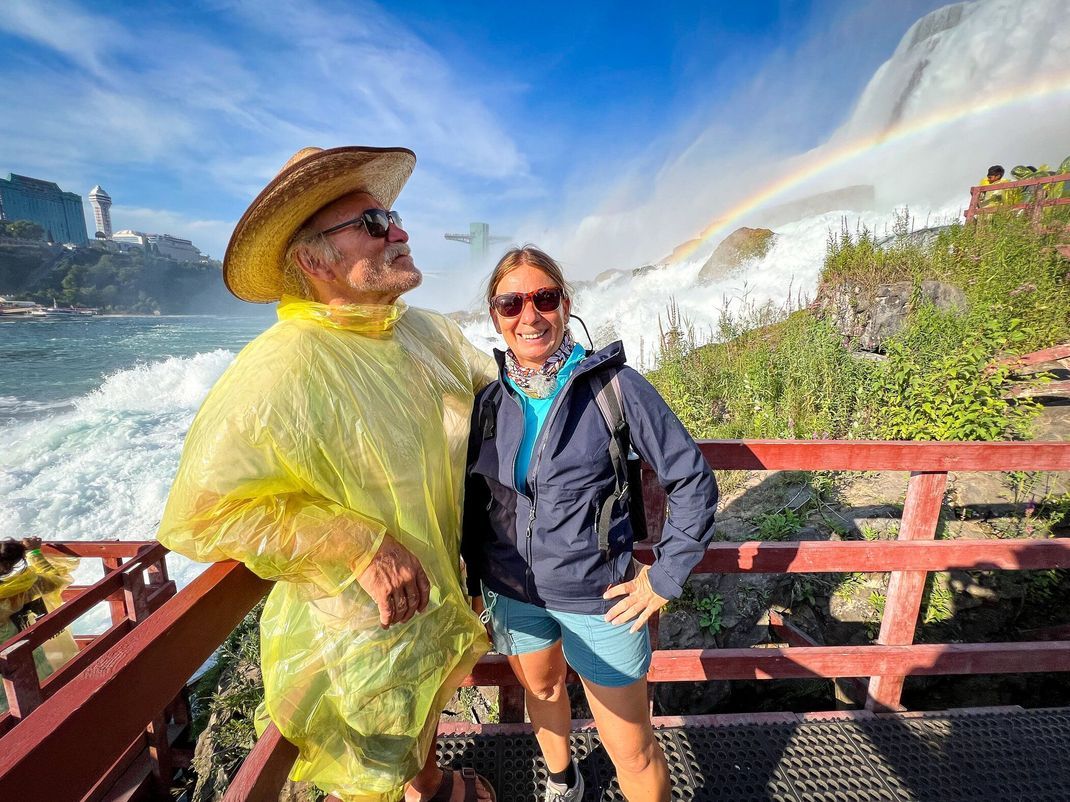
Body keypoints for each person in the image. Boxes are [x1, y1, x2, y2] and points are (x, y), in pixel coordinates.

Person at [157, 146, 498, 802]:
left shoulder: (423, 334)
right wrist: (356, 541)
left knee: (420, 724)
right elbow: (201, 512)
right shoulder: (280, 368)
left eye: (392, 216)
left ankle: (431, 791)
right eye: (372, 224)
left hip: (434, 590)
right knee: (368, 770)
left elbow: (505, 401)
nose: (399, 231)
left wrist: (617, 434)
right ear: (313, 260)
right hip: (357, 625)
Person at [461, 246, 719, 802]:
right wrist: (473, 580)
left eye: (543, 298)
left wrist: (665, 575)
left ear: (565, 304)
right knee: (544, 687)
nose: (529, 316)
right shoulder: (487, 403)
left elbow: (692, 479)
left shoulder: (614, 388)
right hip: (514, 591)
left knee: (632, 749)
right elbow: (476, 497)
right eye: (511, 303)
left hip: (600, 597)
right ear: (496, 317)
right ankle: (563, 780)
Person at [0, 537, 79, 714]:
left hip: (8, 688)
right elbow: (54, 580)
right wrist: (34, 553)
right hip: (31, 670)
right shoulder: (15, 591)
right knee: (45, 716)